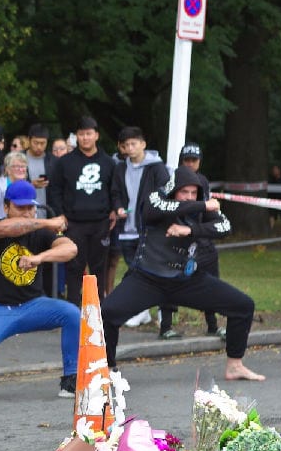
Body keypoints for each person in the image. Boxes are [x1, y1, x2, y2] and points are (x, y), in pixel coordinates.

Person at [101, 167, 265, 381]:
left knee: (243, 306)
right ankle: (107, 369)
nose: (189, 197)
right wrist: (203, 204)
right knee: (107, 312)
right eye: (184, 192)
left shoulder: (201, 207)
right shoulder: (157, 199)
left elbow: (224, 227)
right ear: (173, 190)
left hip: (186, 280)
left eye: (193, 193)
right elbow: (155, 209)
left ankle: (234, 365)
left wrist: (192, 230)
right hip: (148, 279)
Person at [0, 180, 79, 400]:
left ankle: (71, 378)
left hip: (32, 305)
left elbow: (70, 248)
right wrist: (47, 222)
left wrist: (39, 258)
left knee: (72, 314)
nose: (27, 213)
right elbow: (8, 228)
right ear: (5, 207)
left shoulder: (41, 233)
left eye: (30, 207)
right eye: (20, 208)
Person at [47, 116, 118, 307]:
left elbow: (116, 189)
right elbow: (54, 189)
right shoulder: (64, 162)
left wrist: (114, 210)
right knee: (74, 267)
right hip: (73, 222)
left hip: (100, 222)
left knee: (99, 268)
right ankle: (72, 309)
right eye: (81, 134)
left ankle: (98, 310)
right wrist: (59, 213)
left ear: (96, 135)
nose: (85, 138)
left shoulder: (109, 162)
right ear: (76, 136)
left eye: (88, 134)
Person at [157, 143, 223, 339]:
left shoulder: (202, 180)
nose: (190, 164)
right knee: (169, 281)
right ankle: (166, 326)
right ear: (181, 161)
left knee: (211, 283)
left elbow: (208, 211)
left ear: (199, 162)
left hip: (201, 238)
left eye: (194, 160)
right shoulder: (171, 180)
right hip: (178, 239)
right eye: (187, 160)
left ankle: (213, 325)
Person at [107, 126, 165, 327]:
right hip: (126, 229)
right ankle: (142, 310)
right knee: (134, 270)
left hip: (147, 228)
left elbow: (163, 194)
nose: (130, 148)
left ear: (143, 144)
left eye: (134, 144)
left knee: (151, 269)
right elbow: (115, 192)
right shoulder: (120, 167)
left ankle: (158, 310)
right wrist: (118, 207)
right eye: (126, 145)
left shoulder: (156, 167)